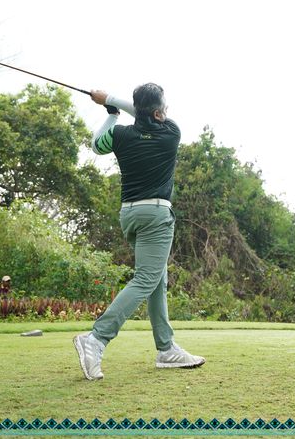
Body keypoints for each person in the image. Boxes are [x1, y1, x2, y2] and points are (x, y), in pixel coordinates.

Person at [73, 83, 205, 381]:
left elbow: (96, 145)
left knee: (156, 279)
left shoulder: (120, 134)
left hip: (130, 215)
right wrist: (110, 99)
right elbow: (145, 114)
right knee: (146, 279)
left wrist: (110, 113)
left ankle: (166, 348)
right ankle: (97, 338)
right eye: (164, 108)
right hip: (156, 215)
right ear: (159, 113)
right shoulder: (170, 132)